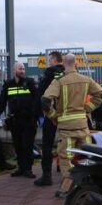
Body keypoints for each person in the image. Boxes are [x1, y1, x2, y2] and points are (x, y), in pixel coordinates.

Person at [42, 53, 102, 198]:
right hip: (83, 126)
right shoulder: (86, 79)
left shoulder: (59, 81)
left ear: (63, 64)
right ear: (76, 64)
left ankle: (67, 189)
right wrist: (87, 108)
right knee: (88, 156)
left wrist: (53, 116)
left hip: (66, 128)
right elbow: (100, 95)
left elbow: (45, 102)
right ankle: (91, 186)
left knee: (66, 160)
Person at [0, 62, 38, 178]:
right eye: (20, 69)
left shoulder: (30, 83)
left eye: (23, 69)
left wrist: (39, 116)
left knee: (27, 145)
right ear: (14, 70)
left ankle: (28, 169)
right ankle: (21, 168)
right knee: (18, 145)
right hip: (15, 120)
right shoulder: (8, 84)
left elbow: (37, 99)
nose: (22, 71)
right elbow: (2, 100)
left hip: (28, 119)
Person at [34, 51, 66, 187]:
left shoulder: (49, 72)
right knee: (67, 143)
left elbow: (41, 93)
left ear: (53, 59)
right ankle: (65, 171)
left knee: (47, 145)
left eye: (49, 59)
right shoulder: (68, 72)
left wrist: (40, 114)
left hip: (51, 113)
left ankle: (47, 176)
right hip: (67, 114)